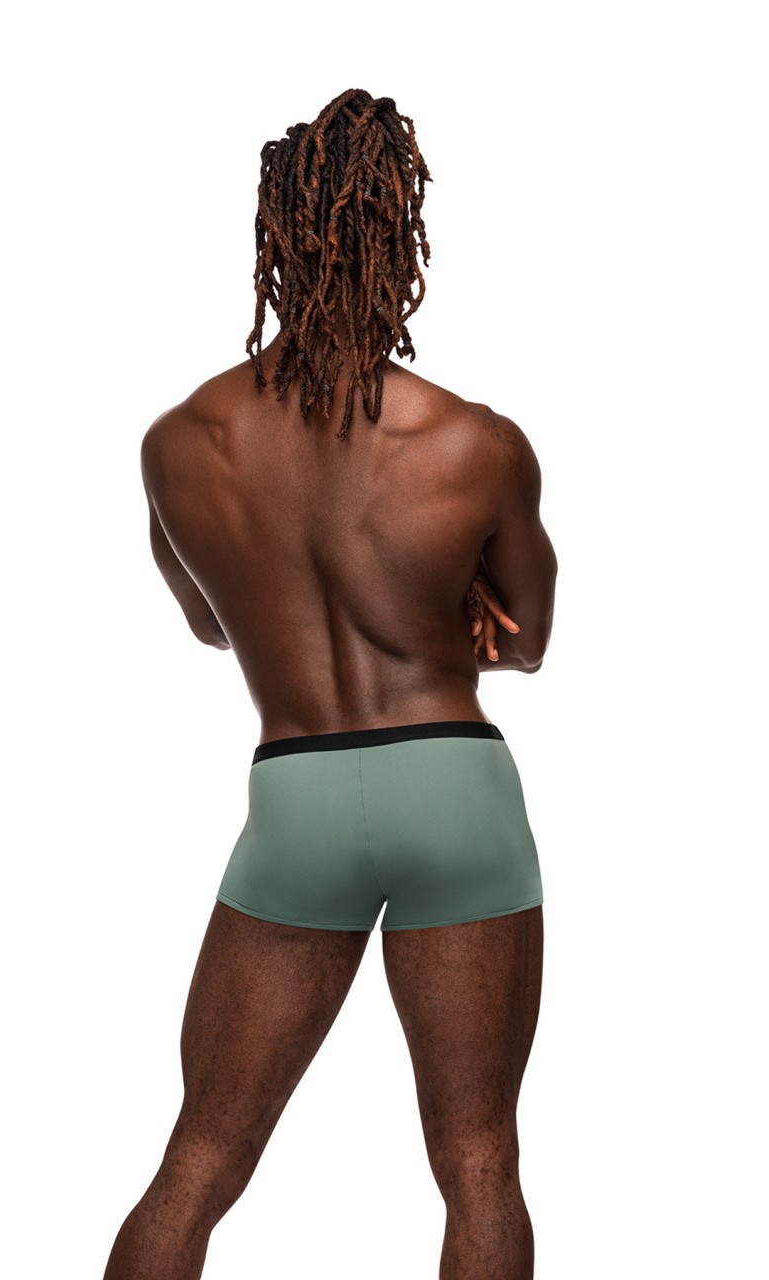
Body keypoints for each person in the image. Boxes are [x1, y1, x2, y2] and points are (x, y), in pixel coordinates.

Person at [103, 87, 557, 1280]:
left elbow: (210, 624)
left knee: (199, 1158)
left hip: (295, 783)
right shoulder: (475, 441)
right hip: (451, 780)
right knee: (478, 1159)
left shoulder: (181, 443)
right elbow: (528, 643)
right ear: (400, 232)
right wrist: (452, 610)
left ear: (276, 237)